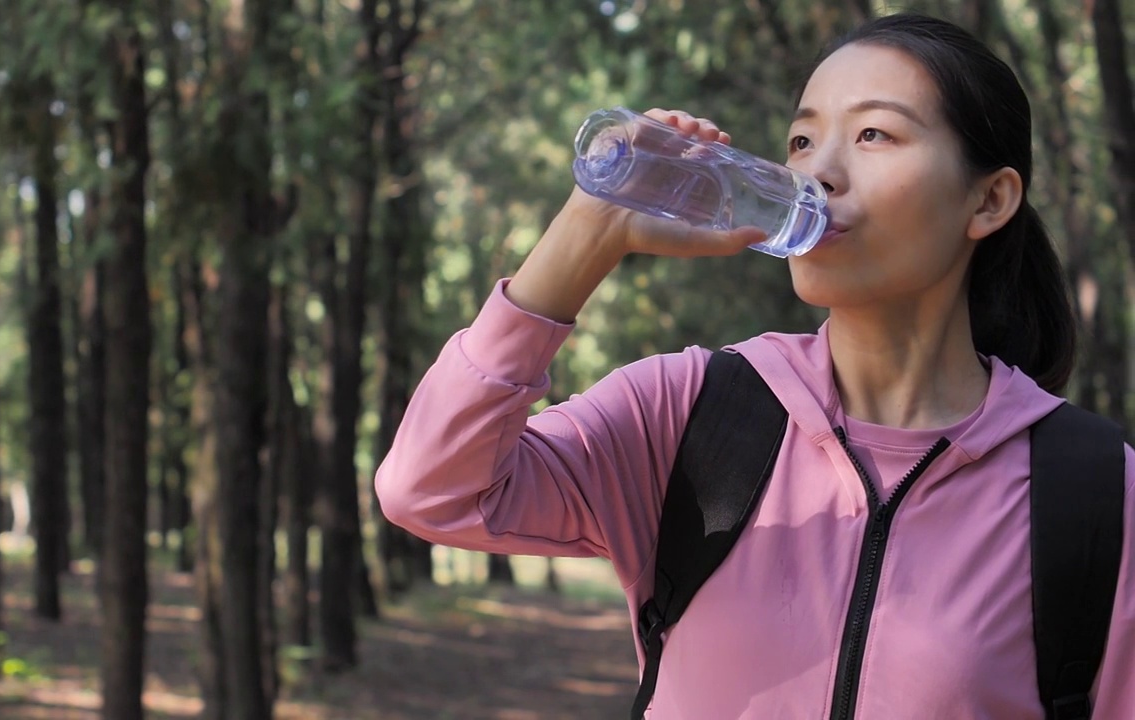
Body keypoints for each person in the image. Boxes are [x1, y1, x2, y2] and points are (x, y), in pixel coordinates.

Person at [374, 12, 1134, 719]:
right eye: (802, 141)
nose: (819, 174)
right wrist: (587, 233)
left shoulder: (1095, 491)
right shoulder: (691, 411)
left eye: (873, 135)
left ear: (990, 200)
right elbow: (432, 491)